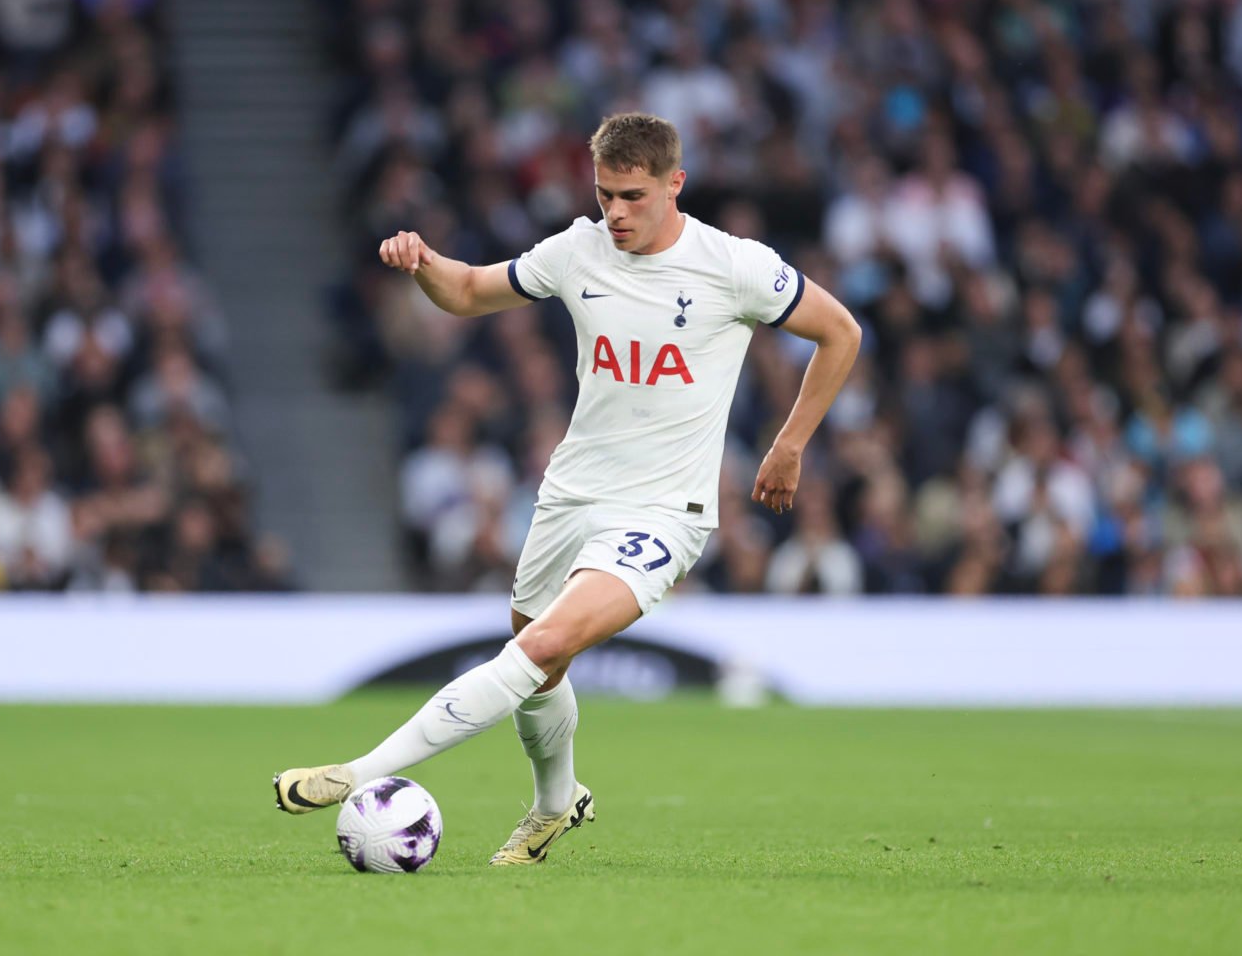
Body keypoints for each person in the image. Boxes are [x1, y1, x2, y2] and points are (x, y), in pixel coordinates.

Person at [274, 113, 861, 865]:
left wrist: (790, 442)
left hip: (662, 512)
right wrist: (421, 260)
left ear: (675, 184)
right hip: (571, 494)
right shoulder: (578, 248)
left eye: (632, 196)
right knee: (536, 657)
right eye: (604, 193)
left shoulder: (735, 266)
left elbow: (841, 331)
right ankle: (556, 805)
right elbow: (467, 292)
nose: (615, 212)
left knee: (543, 642)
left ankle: (359, 772)